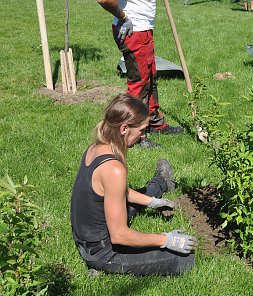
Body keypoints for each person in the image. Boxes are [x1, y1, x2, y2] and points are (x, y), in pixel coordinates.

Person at [70, 93, 196, 275]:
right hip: (102, 252)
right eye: (142, 130)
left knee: (143, 195)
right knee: (185, 259)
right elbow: (120, 235)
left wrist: (152, 202)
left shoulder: (96, 148)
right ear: (124, 129)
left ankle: (162, 182)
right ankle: (100, 268)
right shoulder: (114, 169)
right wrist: (166, 240)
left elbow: (118, 191)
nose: (143, 136)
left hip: (86, 238)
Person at [97, 0, 184, 148]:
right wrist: (123, 17)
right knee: (139, 82)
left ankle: (155, 123)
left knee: (150, 77)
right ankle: (135, 133)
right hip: (133, 30)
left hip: (143, 28)